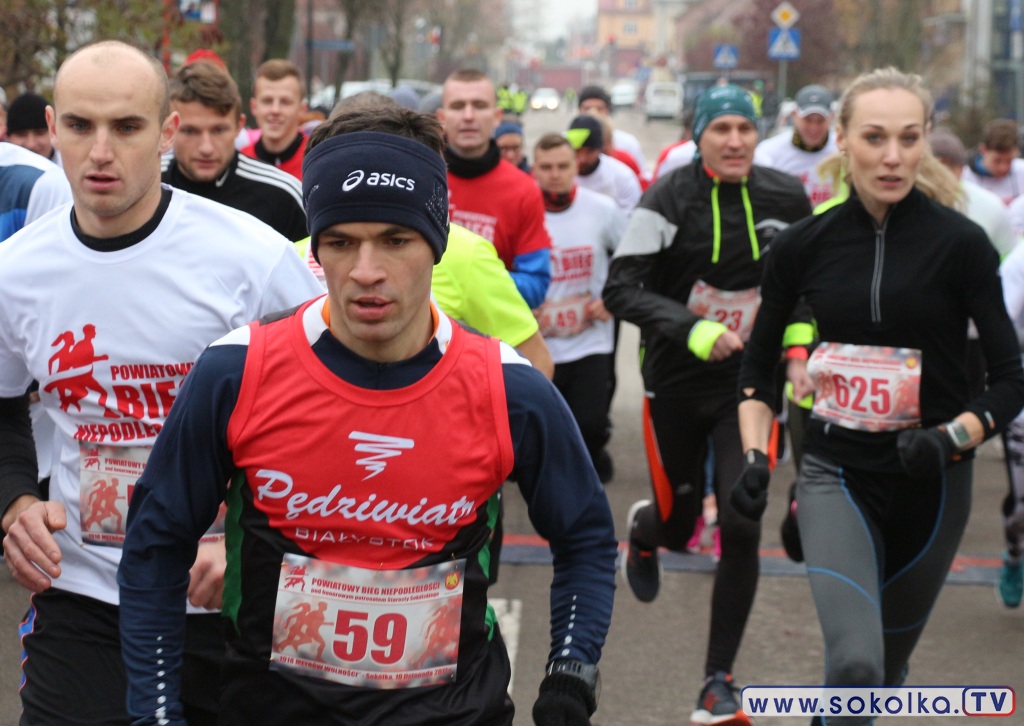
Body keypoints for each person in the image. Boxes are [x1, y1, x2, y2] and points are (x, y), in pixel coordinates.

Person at [117, 103, 617, 726]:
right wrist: (155, 712)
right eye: (341, 242)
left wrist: (570, 674)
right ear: (316, 249)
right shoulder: (236, 371)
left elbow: (585, 538)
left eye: (395, 240)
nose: (366, 272)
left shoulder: (507, 387)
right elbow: (155, 545)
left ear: (436, 243)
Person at [0, 40, 323, 725]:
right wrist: (16, 500)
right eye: (80, 126)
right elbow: (1, 407)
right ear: (53, 127)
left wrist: (248, 535)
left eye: (127, 126)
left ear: (166, 132)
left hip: (227, 599)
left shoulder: (252, 259)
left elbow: (325, 415)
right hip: (86, 595)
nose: (100, 152)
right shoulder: (16, 271)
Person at [734, 68, 1024, 725]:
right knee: (857, 667)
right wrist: (755, 458)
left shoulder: (962, 245)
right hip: (836, 472)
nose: (892, 156)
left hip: (935, 484)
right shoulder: (803, 245)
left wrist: (950, 437)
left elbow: (1011, 379)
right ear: (842, 140)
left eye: (908, 138)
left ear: (925, 143)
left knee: (878, 679)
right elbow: (756, 369)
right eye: (874, 137)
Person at [603, 84, 812, 726]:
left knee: (743, 519)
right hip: (675, 382)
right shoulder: (668, 198)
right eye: (721, 129)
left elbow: (802, 286)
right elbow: (620, 289)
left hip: (748, 383)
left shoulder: (786, 196)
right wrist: (692, 327)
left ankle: (717, 681)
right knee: (679, 523)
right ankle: (646, 534)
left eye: (745, 129)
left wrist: (797, 351)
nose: (735, 140)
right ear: (699, 137)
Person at [533, 132, 627, 482]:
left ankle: (590, 465)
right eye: (546, 167)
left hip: (591, 339)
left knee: (591, 423)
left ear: (576, 166)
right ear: (534, 169)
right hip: (539, 341)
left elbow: (631, 261)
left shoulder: (602, 210)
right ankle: (560, 486)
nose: (555, 174)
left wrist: (613, 298)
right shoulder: (523, 210)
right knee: (545, 426)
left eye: (562, 166)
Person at [438, 69, 551, 308]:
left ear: (497, 116)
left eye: (479, 105)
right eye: (458, 106)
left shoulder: (523, 189)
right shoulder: (417, 178)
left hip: (491, 330)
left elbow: (536, 285)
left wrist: (470, 276)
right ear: (442, 117)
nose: (468, 116)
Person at [162, 60, 308, 241]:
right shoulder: (146, 183)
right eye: (190, 131)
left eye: (218, 130)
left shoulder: (283, 195)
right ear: (169, 129)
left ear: (239, 126)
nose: (206, 148)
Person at [754, 84, 839, 207]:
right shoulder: (769, 152)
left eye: (820, 121)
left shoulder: (843, 149)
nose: (814, 128)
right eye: (807, 120)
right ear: (794, 115)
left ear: (831, 117)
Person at [997, 242, 1024, 608]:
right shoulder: (1020, 262)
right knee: (1021, 507)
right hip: (1021, 406)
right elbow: (998, 327)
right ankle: (1015, 555)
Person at [241, 59, 309, 180]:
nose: (275, 110)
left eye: (285, 102)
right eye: (267, 101)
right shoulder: (239, 162)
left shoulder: (317, 159)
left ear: (302, 109)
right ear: (254, 107)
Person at [566, 114, 641, 216]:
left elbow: (632, 219)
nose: (582, 159)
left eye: (589, 151)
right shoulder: (555, 174)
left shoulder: (622, 177)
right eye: (577, 151)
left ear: (600, 149)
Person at [577, 85, 647, 176]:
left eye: (599, 109)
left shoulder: (627, 143)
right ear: (579, 110)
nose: (593, 113)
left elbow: (642, 177)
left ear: (608, 110)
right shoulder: (567, 142)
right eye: (587, 109)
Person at [961, 118, 1024, 205]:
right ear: (983, 150)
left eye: (1009, 160)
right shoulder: (965, 177)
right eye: (997, 161)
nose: (1003, 167)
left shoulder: (1021, 171)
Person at [6, 92, 61, 166]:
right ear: (8, 137)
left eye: (40, 133)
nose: (31, 144)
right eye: (21, 134)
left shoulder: (72, 168)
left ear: (54, 132)